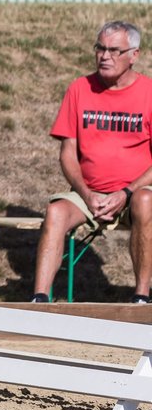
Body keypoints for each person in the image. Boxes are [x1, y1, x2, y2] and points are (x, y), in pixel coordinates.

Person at [31, 21, 152, 304]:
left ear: (133, 55)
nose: (104, 56)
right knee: (56, 211)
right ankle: (38, 300)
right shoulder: (79, 88)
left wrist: (126, 193)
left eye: (114, 50)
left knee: (145, 201)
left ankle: (141, 298)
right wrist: (86, 193)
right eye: (100, 48)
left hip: (136, 195)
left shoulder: (149, 92)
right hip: (89, 194)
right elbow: (67, 152)